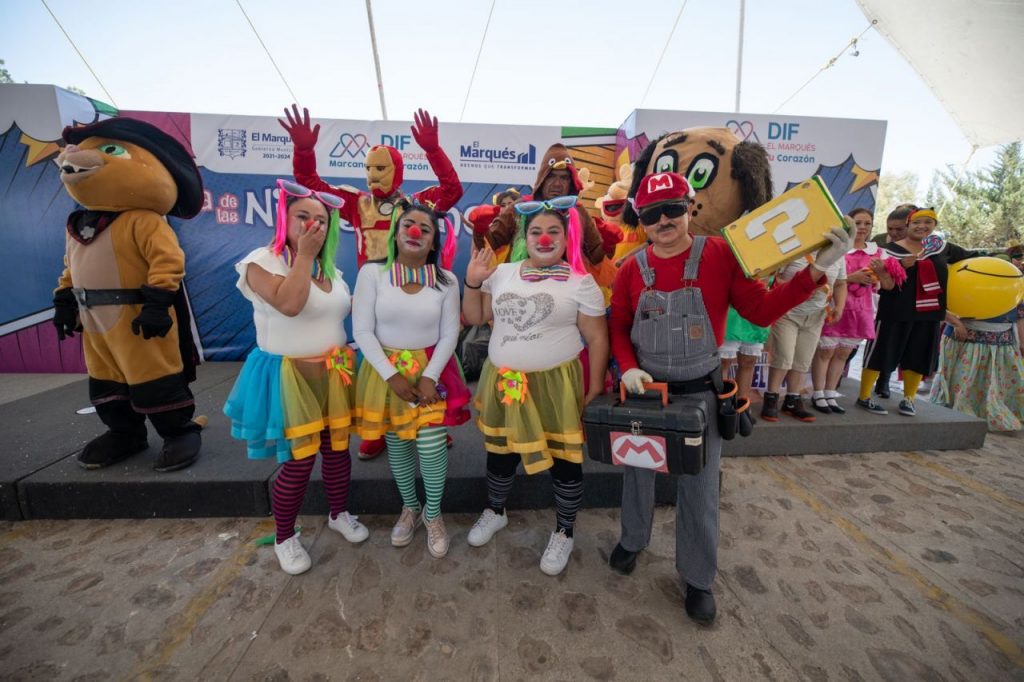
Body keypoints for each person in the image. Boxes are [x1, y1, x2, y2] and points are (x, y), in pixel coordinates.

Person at [608, 171, 851, 624]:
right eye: (652, 214)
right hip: (646, 394)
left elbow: (760, 309)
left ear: (690, 208)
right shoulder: (629, 270)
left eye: (672, 209)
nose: (663, 221)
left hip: (700, 393)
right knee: (637, 472)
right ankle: (632, 539)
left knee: (700, 488)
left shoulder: (720, 254)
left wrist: (816, 272)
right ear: (641, 220)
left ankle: (697, 577)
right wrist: (628, 367)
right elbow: (619, 326)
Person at [279, 105, 464, 461]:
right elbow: (312, 186)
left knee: (427, 351)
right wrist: (303, 151)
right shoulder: (357, 203)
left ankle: (428, 419)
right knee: (376, 353)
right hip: (377, 293)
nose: (371, 175)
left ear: (397, 170)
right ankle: (381, 426)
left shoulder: (416, 204)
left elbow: (452, 189)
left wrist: (433, 151)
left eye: (380, 168)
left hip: (420, 288)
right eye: (367, 169)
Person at [224, 180, 369, 575]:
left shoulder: (332, 270)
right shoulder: (262, 262)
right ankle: (285, 537)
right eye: (303, 216)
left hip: (334, 374)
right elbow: (290, 303)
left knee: (337, 452)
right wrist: (303, 255)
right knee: (299, 462)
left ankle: (339, 513)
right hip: (290, 377)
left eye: (321, 221)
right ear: (284, 219)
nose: (312, 226)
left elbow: (341, 310)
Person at [462, 197, 609, 576]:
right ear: (525, 238)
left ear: (566, 237)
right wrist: (473, 280)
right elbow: (475, 316)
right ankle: (496, 511)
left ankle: (564, 530)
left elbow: (597, 338)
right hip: (504, 382)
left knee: (564, 460)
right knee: (501, 453)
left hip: (556, 386)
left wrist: (594, 386)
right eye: (536, 232)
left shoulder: (581, 282)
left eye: (553, 231)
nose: (544, 239)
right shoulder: (502, 273)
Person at [351, 200, 469, 559]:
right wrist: (391, 376)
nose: (415, 231)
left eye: (425, 228)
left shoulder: (447, 280)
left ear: (433, 242)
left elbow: (450, 333)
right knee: (398, 444)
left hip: (432, 370)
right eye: (408, 225)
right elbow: (362, 330)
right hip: (385, 373)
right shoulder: (372, 274)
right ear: (396, 232)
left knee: (431, 445)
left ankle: (433, 515)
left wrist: (430, 376)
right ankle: (410, 508)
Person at [857, 208, 975, 416]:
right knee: (881, 354)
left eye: (928, 222)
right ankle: (864, 396)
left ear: (935, 226)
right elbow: (877, 279)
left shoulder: (942, 248)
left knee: (918, 357)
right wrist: (901, 265)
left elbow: (972, 259)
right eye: (917, 223)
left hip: (929, 313)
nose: (922, 226)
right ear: (908, 225)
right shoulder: (888, 250)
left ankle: (909, 399)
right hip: (894, 311)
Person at [811, 208, 900, 413]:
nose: (862, 227)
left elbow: (889, 286)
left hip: (861, 309)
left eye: (867, 223)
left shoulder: (879, 252)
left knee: (843, 352)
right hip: (834, 304)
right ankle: (817, 393)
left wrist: (880, 274)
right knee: (825, 351)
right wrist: (853, 278)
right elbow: (820, 276)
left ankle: (830, 392)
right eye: (858, 223)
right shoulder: (835, 248)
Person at [762, 243, 848, 423]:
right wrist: (804, 287)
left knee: (802, 359)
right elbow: (774, 280)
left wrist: (839, 307)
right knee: (784, 357)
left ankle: (792, 401)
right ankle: (771, 399)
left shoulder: (838, 254)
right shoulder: (795, 249)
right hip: (787, 312)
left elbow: (840, 284)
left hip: (816, 316)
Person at [930, 301, 1024, 431]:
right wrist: (956, 323)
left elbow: (1020, 313)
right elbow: (938, 303)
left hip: (1002, 344)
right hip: (964, 338)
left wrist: (1022, 341)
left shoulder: (1013, 288)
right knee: (963, 384)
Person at [868, 203, 918, 398]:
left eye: (900, 229)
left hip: (904, 300)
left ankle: (884, 380)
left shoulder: (920, 246)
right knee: (873, 340)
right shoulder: (880, 242)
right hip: (879, 295)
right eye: (891, 229)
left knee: (894, 342)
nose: (894, 233)